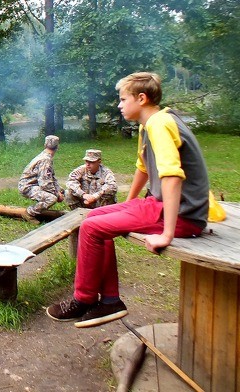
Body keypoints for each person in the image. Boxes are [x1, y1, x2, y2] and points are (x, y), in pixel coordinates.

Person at [47, 72, 209, 328]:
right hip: (159, 206)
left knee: (90, 227)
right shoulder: (150, 124)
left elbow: (172, 177)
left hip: (180, 216)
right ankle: (110, 300)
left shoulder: (159, 123)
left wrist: (166, 235)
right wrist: (126, 205)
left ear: (141, 98)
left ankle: (84, 299)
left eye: (123, 99)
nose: (120, 105)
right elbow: (143, 168)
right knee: (97, 216)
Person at [19, 135, 63, 220]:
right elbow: (45, 183)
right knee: (51, 198)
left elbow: (51, 177)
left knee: (60, 191)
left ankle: (40, 208)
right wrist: (57, 194)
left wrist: (59, 190)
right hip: (28, 187)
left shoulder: (44, 156)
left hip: (33, 184)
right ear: (57, 147)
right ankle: (29, 213)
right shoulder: (45, 160)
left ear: (45, 145)